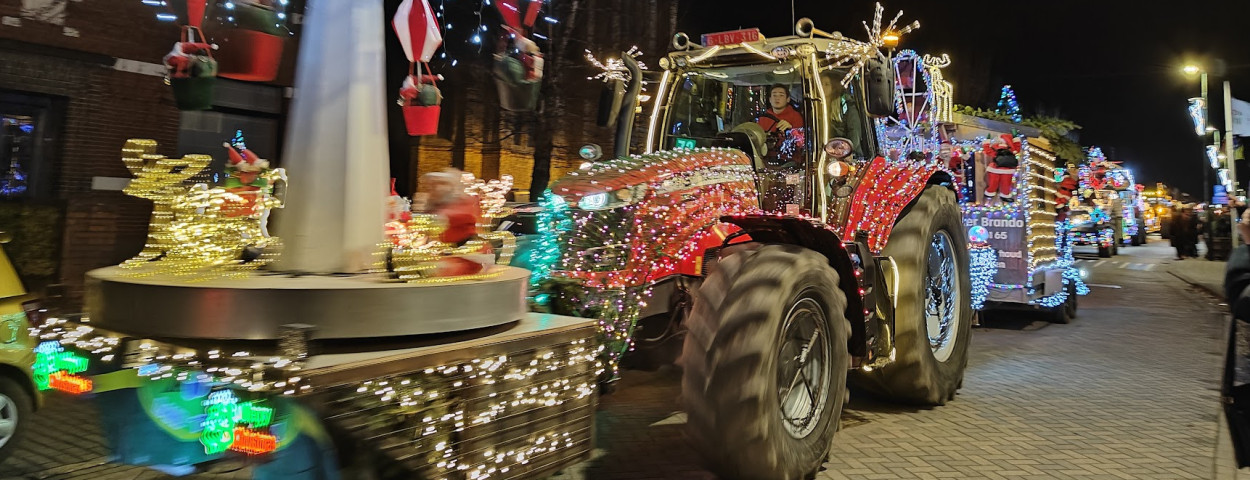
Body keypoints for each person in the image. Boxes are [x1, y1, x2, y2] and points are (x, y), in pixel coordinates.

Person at [413, 169, 493, 276]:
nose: (436, 188)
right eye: (432, 185)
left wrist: (436, 218)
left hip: (467, 255)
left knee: (433, 271)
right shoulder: (433, 205)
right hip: (442, 254)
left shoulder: (465, 203)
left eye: (442, 184)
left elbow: (458, 216)